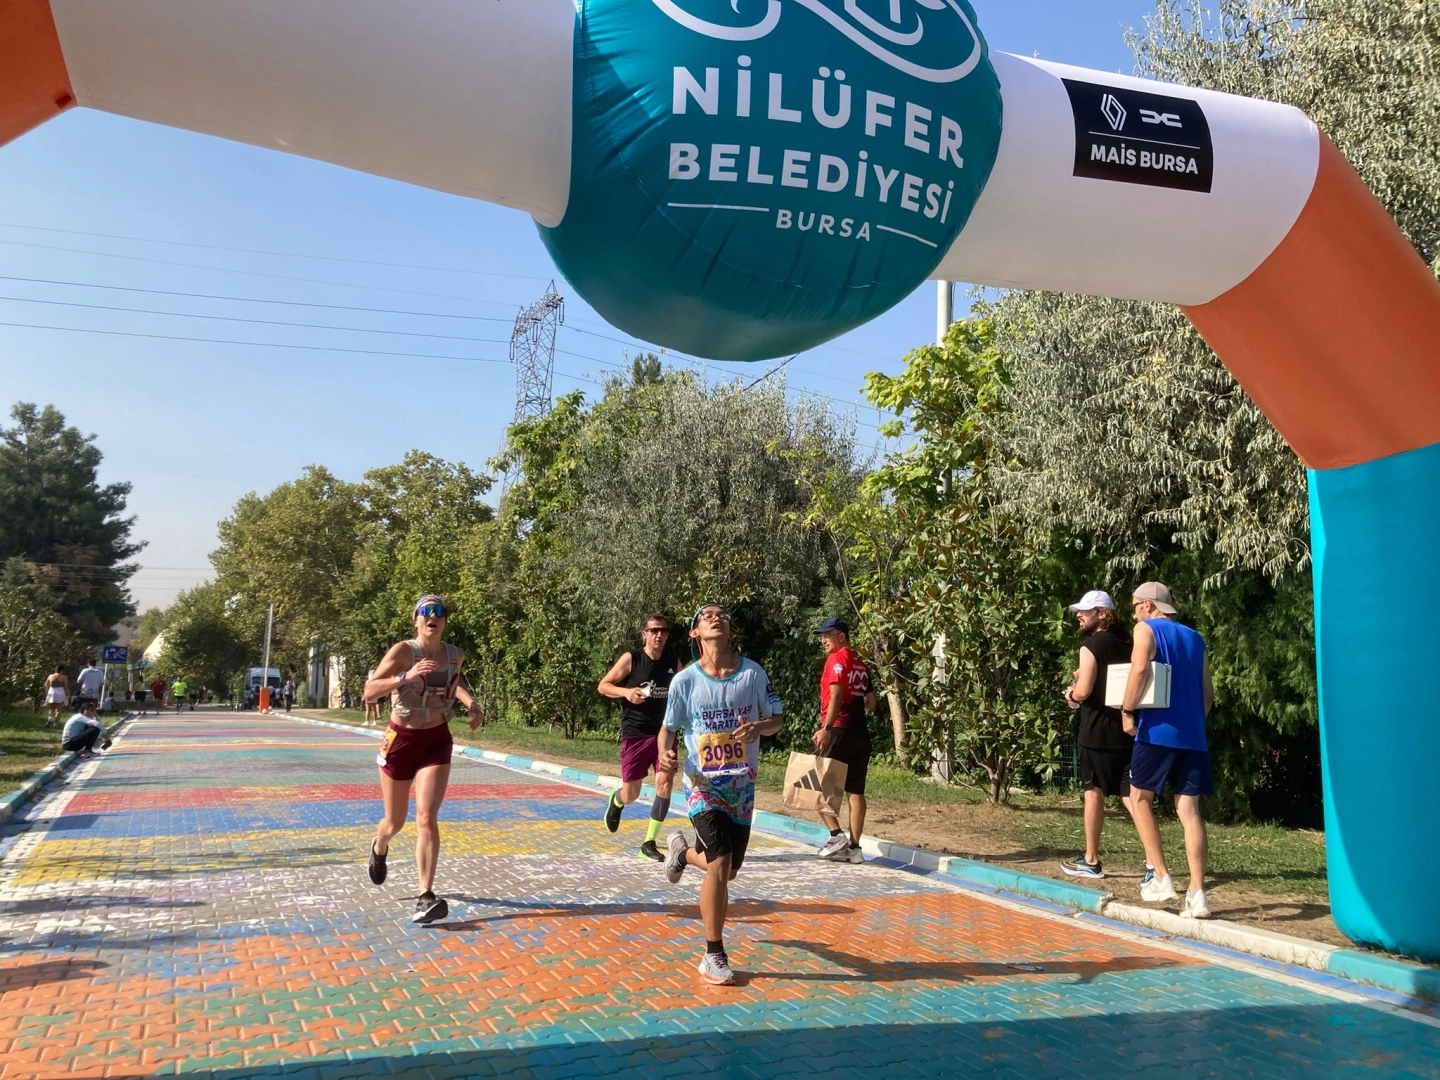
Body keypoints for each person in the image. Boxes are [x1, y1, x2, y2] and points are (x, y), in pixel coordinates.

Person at [659, 604, 784, 986]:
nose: (716, 618)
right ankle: (713, 954)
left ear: (731, 631)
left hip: (741, 787)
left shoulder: (752, 673)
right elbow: (668, 728)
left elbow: (777, 720)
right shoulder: (685, 681)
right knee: (720, 860)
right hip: (702, 784)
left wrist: (758, 728)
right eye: (706, 616)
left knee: (727, 870)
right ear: (695, 632)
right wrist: (664, 756)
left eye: (722, 616)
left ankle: (682, 852)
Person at [363, 594, 484, 924]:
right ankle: (379, 845)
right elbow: (370, 691)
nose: (433, 616)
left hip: (436, 741)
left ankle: (425, 896)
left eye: (439, 612)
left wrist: (471, 703)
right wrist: (406, 676)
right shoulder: (403, 652)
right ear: (416, 619)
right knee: (395, 822)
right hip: (401, 741)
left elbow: (454, 683)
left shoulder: (455, 655)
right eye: (426, 611)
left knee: (427, 817)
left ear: (444, 620)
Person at [1122, 582, 1216, 920]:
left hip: (1156, 732)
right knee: (1189, 811)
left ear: (1148, 605)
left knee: (1139, 798)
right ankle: (1197, 893)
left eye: (1135, 606)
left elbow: (1139, 669)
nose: (1134, 613)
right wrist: (1192, 722)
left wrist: (1127, 710)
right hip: (1193, 737)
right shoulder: (1195, 638)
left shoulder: (1145, 629)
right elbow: (1208, 694)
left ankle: (1161, 876)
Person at [1059, 591, 1136, 879]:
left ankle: (1091, 859)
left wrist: (1071, 692)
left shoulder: (1091, 645)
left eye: (1085, 610)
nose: (1079, 615)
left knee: (1093, 792)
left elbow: (1083, 691)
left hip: (1095, 731)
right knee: (1131, 795)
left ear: (1102, 613)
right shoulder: (1129, 642)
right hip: (1126, 727)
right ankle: (1154, 862)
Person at [597, 613, 680, 860]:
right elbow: (603, 686)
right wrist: (626, 692)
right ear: (644, 634)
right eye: (654, 630)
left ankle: (649, 843)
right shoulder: (632, 658)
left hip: (665, 732)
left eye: (663, 631)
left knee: (664, 784)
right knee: (631, 793)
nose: (658, 635)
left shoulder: (673, 662)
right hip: (636, 732)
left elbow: (685, 692)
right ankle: (617, 800)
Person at [810, 618, 876, 864]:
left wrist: (826, 728)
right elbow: (871, 703)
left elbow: (836, 696)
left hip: (837, 731)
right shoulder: (861, 664)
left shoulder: (836, 659)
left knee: (813, 783)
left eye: (828, 635)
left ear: (842, 637)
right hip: (860, 734)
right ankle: (855, 848)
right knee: (855, 791)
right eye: (822, 636)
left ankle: (836, 835)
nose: (823, 640)